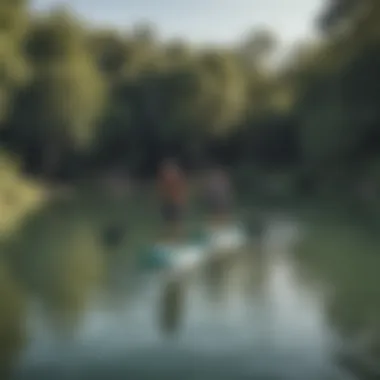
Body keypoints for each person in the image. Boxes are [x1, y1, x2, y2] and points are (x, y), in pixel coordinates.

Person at [157, 159, 187, 240]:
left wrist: (181, 200)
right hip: (168, 203)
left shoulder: (175, 178)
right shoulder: (165, 178)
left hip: (175, 203)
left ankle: (178, 238)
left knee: (177, 222)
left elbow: (181, 189)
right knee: (168, 223)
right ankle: (169, 238)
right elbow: (162, 190)